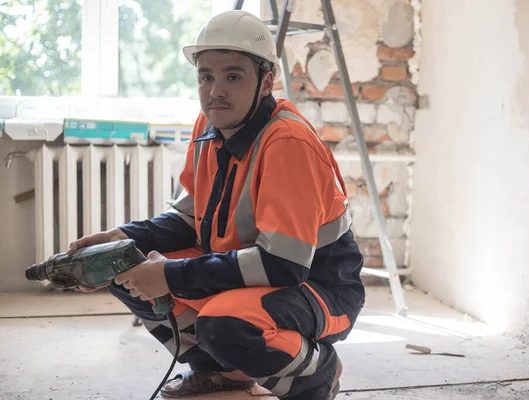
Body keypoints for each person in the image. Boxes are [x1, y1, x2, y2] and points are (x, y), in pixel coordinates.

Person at [68, 10, 365, 400]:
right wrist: (123, 237)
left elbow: (285, 264)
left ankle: (315, 372)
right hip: (254, 270)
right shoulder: (208, 127)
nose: (215, 90)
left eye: (233, 76)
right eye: (206, 76)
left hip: (320, 287)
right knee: (123, 265)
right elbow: (187, 219)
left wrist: (171, 276)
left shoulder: (287, 143)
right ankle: (221, 373)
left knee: (224, 325)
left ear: (265, 82)